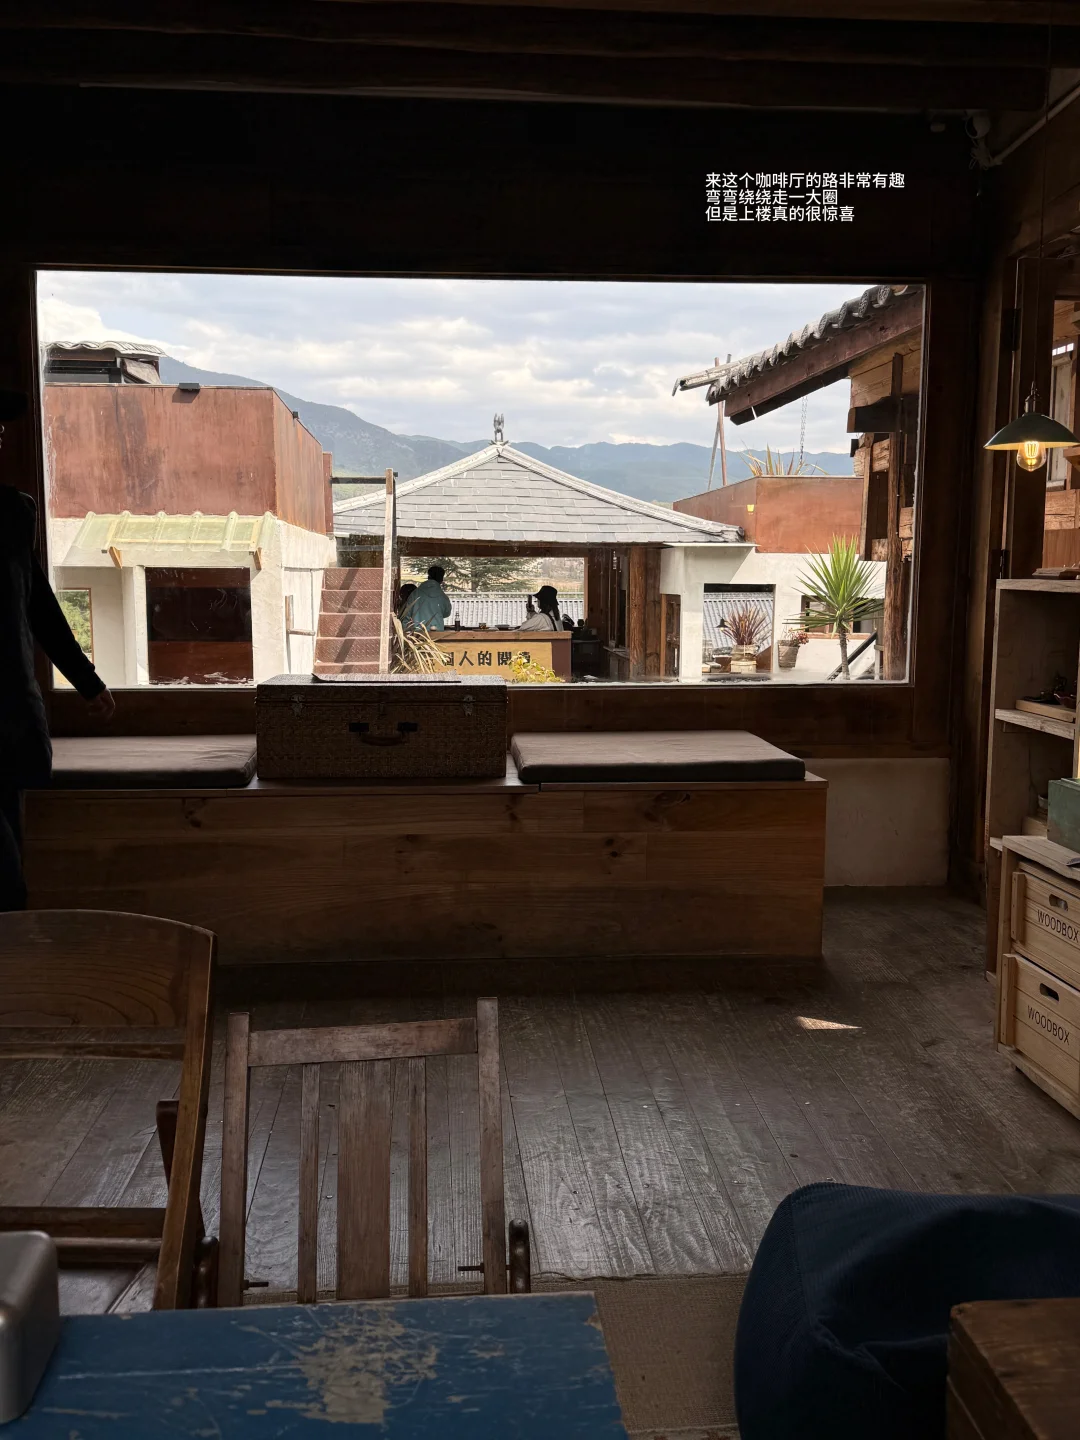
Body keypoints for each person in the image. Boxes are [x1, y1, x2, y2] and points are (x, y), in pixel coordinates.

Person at [0, 387, 115, 911]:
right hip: (5, 721)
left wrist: (86, 682)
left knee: (8, 874)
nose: (1, 438)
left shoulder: (11, 515)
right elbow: (40, 608)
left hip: (6, 726)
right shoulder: (9, 516)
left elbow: (39, 606)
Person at [400, 564, 452, 631]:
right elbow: (447, 613)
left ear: (428, 577)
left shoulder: (415, 593)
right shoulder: (443, 597)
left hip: (417, 632)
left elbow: (407, 615)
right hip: (437, 632)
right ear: (441, 580)